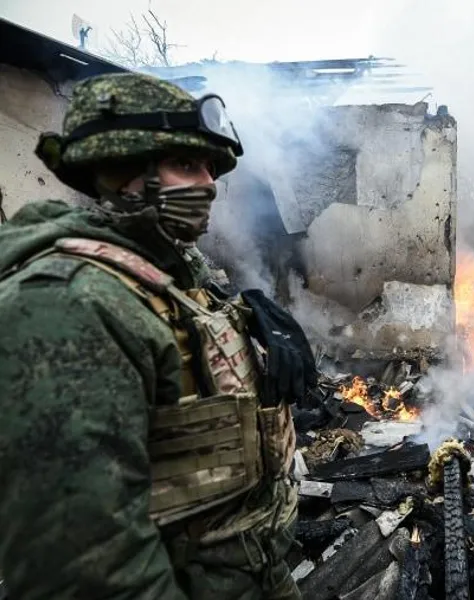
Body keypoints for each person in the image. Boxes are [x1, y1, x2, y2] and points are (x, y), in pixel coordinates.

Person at [0, 72, 317, 600]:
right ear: (123, 170)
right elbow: (86, 568)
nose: (210, 184)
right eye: (187, 165)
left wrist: (242, 314)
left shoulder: (165, 280)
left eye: (211, 169)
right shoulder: (65, 304)